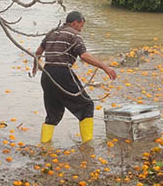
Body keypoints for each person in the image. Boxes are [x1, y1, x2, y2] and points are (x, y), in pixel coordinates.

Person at [32, 11, 117, 144]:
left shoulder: (52, 32)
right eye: (81, 26)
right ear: (74, 23)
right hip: (62, 73)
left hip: (47, 75)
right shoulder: (74, 34)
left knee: (53, 114)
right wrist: (104, 66)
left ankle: (44, 146)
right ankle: (87, 145)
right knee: (87, 105)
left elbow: (38, 52)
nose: (80, 29)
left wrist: (35, 66)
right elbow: (84, 55)